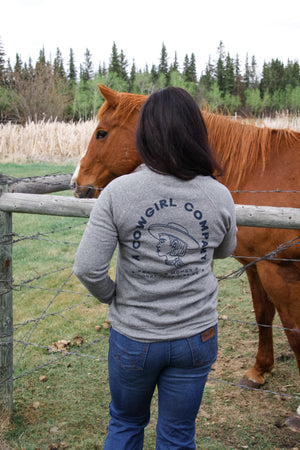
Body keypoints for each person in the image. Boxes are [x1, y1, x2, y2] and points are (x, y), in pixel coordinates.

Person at [73, 87, 237, 449]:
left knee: (126, 423)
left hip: (135, 336)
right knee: (177, 435)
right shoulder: (219, 194)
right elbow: (226, 250)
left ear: (145, 133)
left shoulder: (118, 193)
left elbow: (87, 268)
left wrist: (115, 296)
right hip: (196, 335)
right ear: (196, 134)